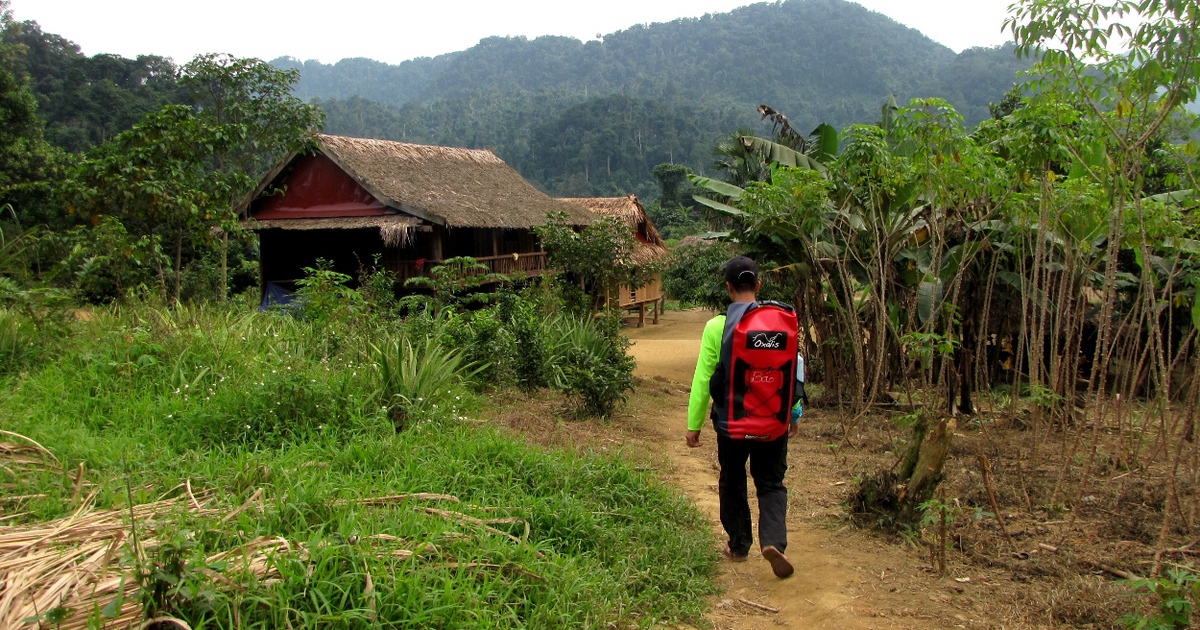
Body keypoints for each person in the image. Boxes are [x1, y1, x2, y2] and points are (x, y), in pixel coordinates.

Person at [685, 256, 798, 579]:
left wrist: (693, 426)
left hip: (731, 423)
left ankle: (738, 544)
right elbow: (793, 371)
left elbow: (704, 378)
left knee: (732, 480)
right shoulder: (780, 321)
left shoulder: (717, 326)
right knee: (771, 483)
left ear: (729, 287)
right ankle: (774, 541)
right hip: (772, 422)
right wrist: (794, 414)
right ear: (758, 286)